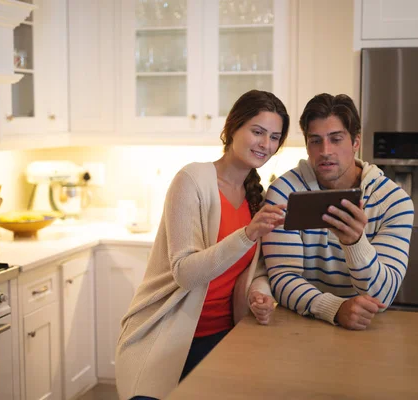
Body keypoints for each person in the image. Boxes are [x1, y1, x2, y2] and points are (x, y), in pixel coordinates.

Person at [116, 90, 290, 400]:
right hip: (165, 336)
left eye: (274, 137)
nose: (266, 144)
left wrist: (259, 294)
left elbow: (256, 269)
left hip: (224, 337)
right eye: (257, 131)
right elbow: (186, 272)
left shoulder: (255, 198)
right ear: (232, 127)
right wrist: (247, 234)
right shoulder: (191, 180)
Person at [263, 93, 414, 330]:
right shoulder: (285, 193)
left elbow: (384, 296)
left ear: (355, 142)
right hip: (298, 326)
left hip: (367, 327)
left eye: (336, 139)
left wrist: (355, 243)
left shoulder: (394, 202)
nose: (325, 150)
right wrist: (334, 309)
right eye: (315, 140)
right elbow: (283, 278)